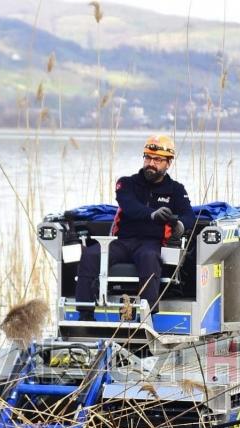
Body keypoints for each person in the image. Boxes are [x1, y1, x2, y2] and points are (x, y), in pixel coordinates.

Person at [75, 134, 195, 320]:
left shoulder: (176, 190)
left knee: (149, 257)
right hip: (122, 241)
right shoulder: (127, 183)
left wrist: (179, 225)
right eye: (147, 157)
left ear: (168, 163)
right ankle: (84, 315)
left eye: (157, 160)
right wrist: (152, 214)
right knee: (91, 255)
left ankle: (146, 318)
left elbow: (189, 216)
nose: (151, 163)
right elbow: (129, 206)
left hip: (151, 243)